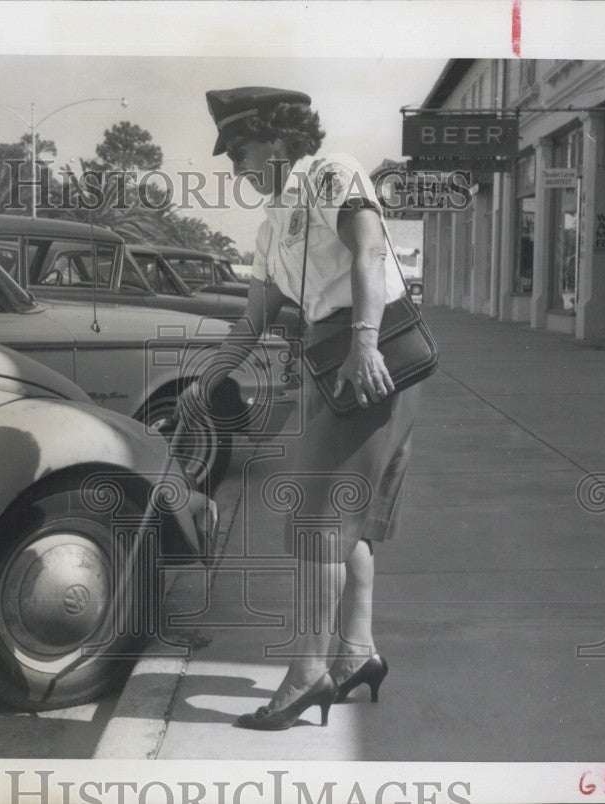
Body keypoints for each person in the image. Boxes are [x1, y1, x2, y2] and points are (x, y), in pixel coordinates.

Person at [177, 87, 422, 730]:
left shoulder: (332, 172)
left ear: (279, 140)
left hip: (374, 353)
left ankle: (308, 671)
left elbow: (369, 250)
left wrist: (366, 342)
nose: (234, 167)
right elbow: (253, 319)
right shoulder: (269, 226)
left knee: (317, 520)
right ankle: (356, 655)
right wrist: (212, 377)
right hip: (333, 363)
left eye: (240, 149)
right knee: (349, 517)